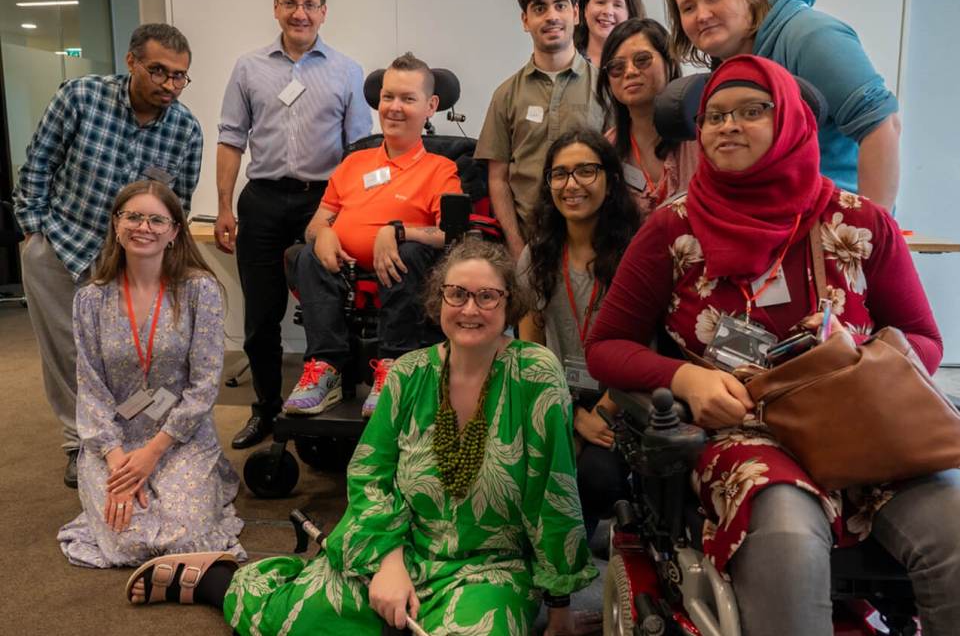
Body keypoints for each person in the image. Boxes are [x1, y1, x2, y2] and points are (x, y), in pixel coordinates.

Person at [585, 54, 960, 636]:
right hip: (743, 428)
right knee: (786, 541)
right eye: (714, 115)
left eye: (751, 110)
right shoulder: (672, 228)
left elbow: (924, 339)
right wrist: (683, 379)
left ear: (791, 120)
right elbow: (607, 345)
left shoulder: (861, 222)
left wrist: (865, 363)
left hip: (867, 422)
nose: (728, 125)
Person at [124, 237, 599, 636]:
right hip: (403, 546)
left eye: (487, 297)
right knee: (303, 618)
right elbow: (370, 475)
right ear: (438, 302)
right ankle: (221, 579)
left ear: (509, 303)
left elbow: (552, 495)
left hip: (489, 567)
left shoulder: (535, 374)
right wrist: (389, 562)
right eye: (457, 294)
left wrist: (558, 609)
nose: (470, 309)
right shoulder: (410, 373)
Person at [13, 23, 202, 488]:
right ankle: (81, 445)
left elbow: (180, 205)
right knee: (68, 353)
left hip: (131, 263)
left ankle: (130, 437)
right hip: (61, 244)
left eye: (180, 76)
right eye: (158, 71)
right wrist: (31, 233)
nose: (169, 85)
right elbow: (37, 166)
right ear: (132, 61)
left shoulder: (185, 130)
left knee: (128, 356)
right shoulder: (79, 98)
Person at [214, 0, 373, 449]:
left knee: (333, 310)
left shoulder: (347, 71)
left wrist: (352, 216)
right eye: (290, 3)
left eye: (309, 4)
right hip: (261, 201)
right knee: (261, 319)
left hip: (322, 206)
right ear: (275, 8)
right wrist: (224, 207)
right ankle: (264, 411)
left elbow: (359, 151)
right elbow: (229, 139)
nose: (299, 13)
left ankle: (330, 400)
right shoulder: (248, 67)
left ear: (323, 11)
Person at [57, 180, 244, 568]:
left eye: (157, 220)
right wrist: (118, 463)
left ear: (175, 231)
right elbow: (90, 391)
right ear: (116, 225)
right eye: (134, 217)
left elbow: (204, 385)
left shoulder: (199, 290)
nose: (144, 227)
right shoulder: (90, 299)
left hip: (180, 436)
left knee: (185, 539)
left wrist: (153, 452)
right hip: (115, 441)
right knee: (125, 542)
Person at [283, 53, 462, 417]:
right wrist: (323, 236)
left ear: (430, 106)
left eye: (407, 99)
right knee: (304, 253)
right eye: (388, 97)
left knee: (410, 252)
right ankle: (325, 369)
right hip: (343, 269)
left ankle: (394, 366)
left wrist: (397, 231)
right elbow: (317, 223)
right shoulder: (354, 162)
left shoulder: (441, 168)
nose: (394, 108)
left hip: (405, 270)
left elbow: (452, 235)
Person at [664, 0, 901, 208]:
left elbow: (882, 126)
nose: (702, 15)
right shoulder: (729, 67)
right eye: (688, 8)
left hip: (831, 227)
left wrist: (871, 233)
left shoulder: (810, 36)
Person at [517, 129, 639, 538]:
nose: (572, 185)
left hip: (621, 399)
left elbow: (643, 349)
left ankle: (589, 541)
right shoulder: (536, 255)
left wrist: (598, 415)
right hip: (557, 396)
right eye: (560, 174)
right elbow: (529, 348)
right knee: (528, 462)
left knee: (596, 475)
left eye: (586, 171)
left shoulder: (636, 253)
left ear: (611, 179)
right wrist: (569, 417)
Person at [476, 0, 605, 261]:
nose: (551, 17)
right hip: (528, 243)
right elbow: (498, 178)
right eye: (539, 8)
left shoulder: (606, 89)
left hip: (594, 246)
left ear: (575, 12)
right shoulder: (506, 95)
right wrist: (516, 245)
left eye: (559, 5)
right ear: (525, 20)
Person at [598, 18, 699, 217]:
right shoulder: (607, 149)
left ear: (669, 63)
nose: (630, 72)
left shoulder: (700, 135)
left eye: (642, 60)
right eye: (617, 67)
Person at [574, 0, 646, 66]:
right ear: (585, 8)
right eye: (600, 2)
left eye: (617, 5)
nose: (607, 11)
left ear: (630, 15)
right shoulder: (565, 59)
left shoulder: (642, 64)